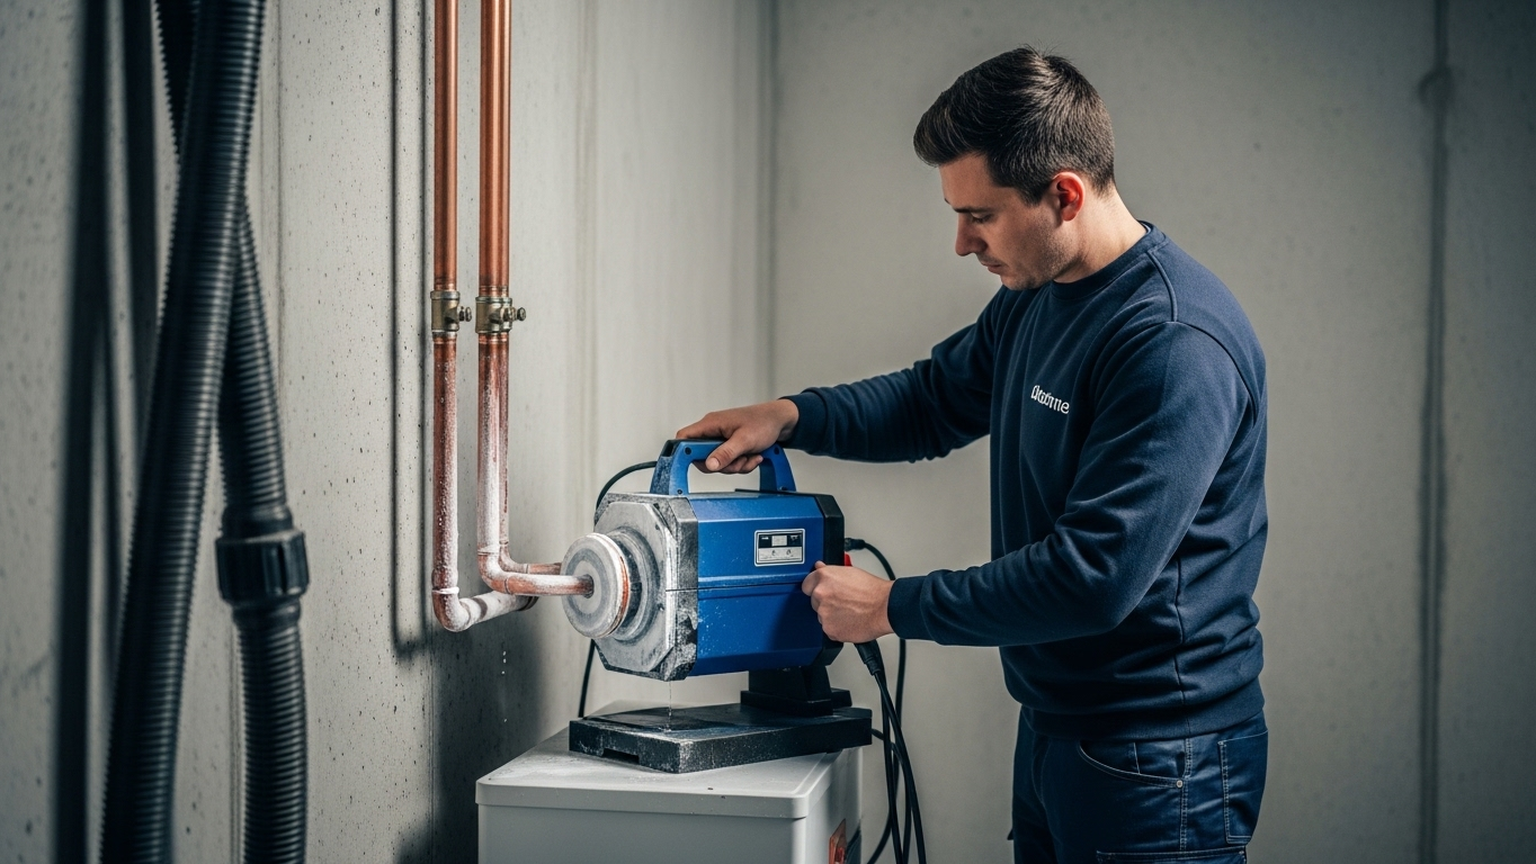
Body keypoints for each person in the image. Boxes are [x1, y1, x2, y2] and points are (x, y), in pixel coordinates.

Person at [677, 47, 1268, 863]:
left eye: (979, 216)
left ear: (1063, 194)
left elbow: (1091, 578)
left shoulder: (1170, 343)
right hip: (1061, 729)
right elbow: (932, 401)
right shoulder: (1038, 300)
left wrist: (892, 605)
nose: (962, 243)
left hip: (1158, 758)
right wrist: (791, 416)